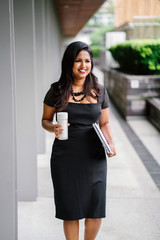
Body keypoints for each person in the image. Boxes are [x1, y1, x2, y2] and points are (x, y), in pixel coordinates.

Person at [42, 41, 116, 240]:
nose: (83, 65)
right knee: (71, 210)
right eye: (78, 61)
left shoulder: (99, 90)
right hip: (65, 157)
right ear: (69, 63)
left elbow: (105, 123)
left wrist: (110, 142)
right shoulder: (57, 90)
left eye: (87, 61)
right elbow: (45, 120)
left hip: (94, 156)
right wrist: (53, 127)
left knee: (96, 209)